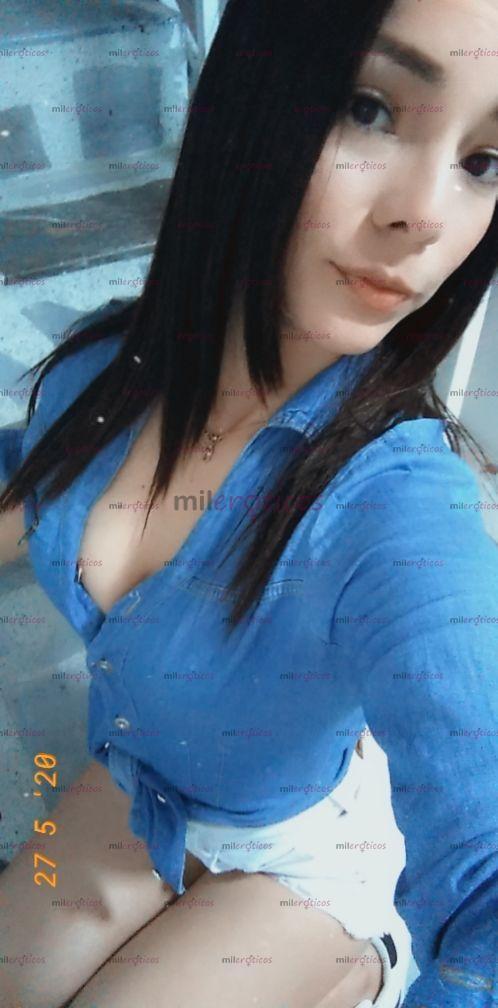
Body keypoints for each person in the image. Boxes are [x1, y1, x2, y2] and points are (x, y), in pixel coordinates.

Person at [1, 0, 497, 1005]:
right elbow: (36, 472)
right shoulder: (106, 369)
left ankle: (360, 960)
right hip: (144, 774)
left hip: (312, 847)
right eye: (369, 107)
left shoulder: (404, 512)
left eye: (486, 162)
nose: (425, 215)